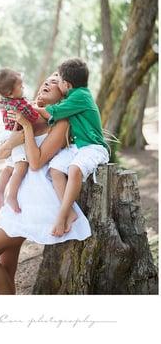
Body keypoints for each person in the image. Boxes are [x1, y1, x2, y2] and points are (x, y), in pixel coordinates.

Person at [0, 74, 91, 295]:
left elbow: (36, 164)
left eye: (55, 82)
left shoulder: (60, 123)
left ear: (64, 94)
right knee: (6, 266)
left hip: (36, 201)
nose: (48, 82)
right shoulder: (24, 111)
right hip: (19, 200)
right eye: (47, 80)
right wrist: (14, 138)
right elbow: (1, 154)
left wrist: (26, 129)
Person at [35, 58, 110, 237]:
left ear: (66, 85)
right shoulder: (72, 95)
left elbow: (49, 112)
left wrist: (26, 107)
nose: (55, 82)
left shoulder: (80, 96)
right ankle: (70, 212)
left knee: (74, 169)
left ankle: (61, 215)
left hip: (93, 147)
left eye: (58, 80)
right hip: (78, 147)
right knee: (54, 169)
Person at [0, 67, 39, 212]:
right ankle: (11, 195)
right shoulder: (20, 104)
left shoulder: (4, 101)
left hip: (6, 133)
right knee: (21, 166)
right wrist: (33, 107)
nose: (23, 87)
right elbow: (34, 117)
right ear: (9, 92)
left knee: (8, 167)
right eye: (20, 85)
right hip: (17, 135)